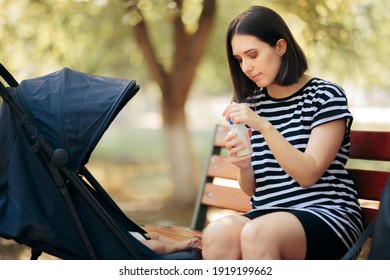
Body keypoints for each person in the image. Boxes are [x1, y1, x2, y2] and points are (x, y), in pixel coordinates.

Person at [201, 5, 363, 260]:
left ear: (280, 46)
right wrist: (243, 167)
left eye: (253, 54)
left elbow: (307, 174)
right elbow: (253, 190)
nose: (246, 67)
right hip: (267, 214)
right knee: (217, 233)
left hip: (326, 214)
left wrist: (265, 127)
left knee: (259, 233)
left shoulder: (324, 95)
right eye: (239, 59)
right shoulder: (253, 104)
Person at [133, 231, 199, 255]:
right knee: (154, 246)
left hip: (128, 236)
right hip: (127, 246)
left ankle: (179, 243)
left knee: (154, 235)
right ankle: (177, 247)